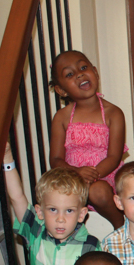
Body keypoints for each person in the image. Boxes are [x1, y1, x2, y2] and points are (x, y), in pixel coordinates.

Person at [49, 50, 127, 229]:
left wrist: (93, 175)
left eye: (83, 67)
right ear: (61, 90)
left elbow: (114, 157)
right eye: (69, 74)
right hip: (72, 177)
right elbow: (55, 159)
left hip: (104, 176)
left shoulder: (113, 113)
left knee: (97, 190)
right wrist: (77, 173)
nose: (79, 74)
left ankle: (121, 226)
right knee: (51, 193)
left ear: (95, 72)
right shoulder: (61, 117)